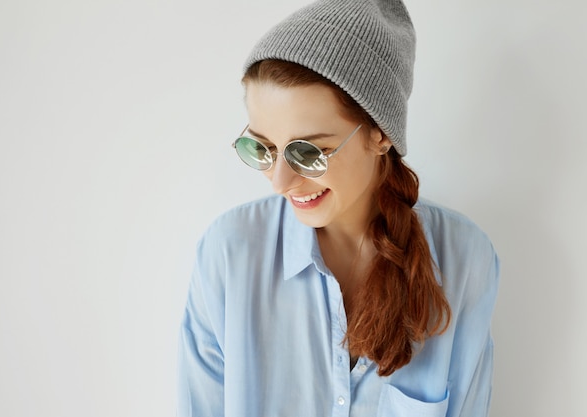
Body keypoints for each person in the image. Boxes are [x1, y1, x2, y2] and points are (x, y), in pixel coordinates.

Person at [177, 0, 500, 416]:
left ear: (380, 135)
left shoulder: (463, 260)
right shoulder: (228, 255)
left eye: (309, 152)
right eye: (263, 148)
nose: (280, 182)